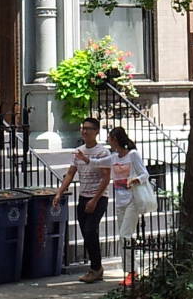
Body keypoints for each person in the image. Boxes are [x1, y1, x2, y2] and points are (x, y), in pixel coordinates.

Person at [52, 117, 112, 283]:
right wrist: (59, 192)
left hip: (98, 198)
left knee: (90, 230)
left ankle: (95, 268)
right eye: (83, 128)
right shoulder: (78, 151)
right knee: (87, 233)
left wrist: (95, 199)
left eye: (89, 128)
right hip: (83, 196)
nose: (85, 131)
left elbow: (106, 178)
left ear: (96, 131)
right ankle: (96, 267)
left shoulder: (102, 152)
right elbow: (71, 173)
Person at [77, 127, 151, 240]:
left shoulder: (133, 155)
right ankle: (127, 258)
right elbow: (98, 163)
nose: (108, 141)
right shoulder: (114, 157)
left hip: (132, 200)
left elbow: (145, 174)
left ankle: (128, 258)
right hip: (120, 201)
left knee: (125, 234)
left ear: (115, 139)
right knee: (123, 236)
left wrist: (134, 180)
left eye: (109, 138)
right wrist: (84, 158)